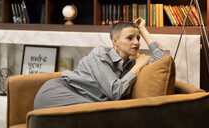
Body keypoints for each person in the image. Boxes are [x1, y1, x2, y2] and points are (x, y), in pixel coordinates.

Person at [33, 17, 166, 109]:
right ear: (115, 41)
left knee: (103, 112)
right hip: (59, 93)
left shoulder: (130, 65)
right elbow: (115, 92)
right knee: (105, 112)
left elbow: (163, 59)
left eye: (138, 38)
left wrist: (142, 29)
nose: (136, 42)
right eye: (130, 38)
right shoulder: (100, 54)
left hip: (85, 102)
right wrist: (138, 66)